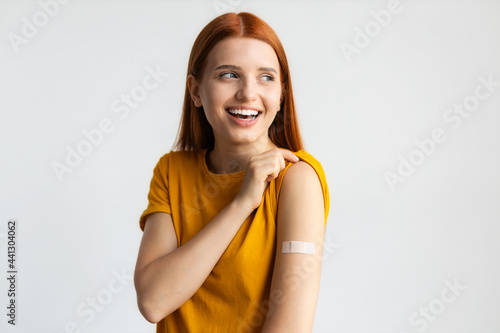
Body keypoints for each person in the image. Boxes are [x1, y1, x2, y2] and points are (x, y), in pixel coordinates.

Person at [134, 11, 330, 332]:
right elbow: (154, 301)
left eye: (265, 77)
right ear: (196, 91)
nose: (248, 94)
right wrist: (241, 203)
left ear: (281, 94)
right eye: (229, 75)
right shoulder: (171, 171)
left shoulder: (297, 180)